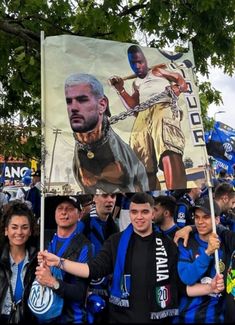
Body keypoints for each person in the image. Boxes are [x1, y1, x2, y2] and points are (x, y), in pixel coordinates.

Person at [38, 193, 224, 323]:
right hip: (120, 317)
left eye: (144, 212)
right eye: (134, 212)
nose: (139, 217)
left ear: (152, 213)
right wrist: (59, 262)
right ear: (130, 213)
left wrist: (210, 287)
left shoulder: (167, 244)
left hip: (159, 318)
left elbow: (180, 287)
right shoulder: (116, 241)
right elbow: (91, 269)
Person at [109, 45, 188, 190]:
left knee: (167, 147)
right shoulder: (136, 83)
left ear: (145, 60)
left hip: (162, 106)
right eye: (134, 63)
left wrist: (178, 87)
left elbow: (179, 78)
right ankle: (150, 197)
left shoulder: (157, 71)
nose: (138, 66)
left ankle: (177, 193)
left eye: (140, 62)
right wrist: (120, 90)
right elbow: (133, 108)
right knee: (141, 161)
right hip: (143, 114)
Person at [65, 73, 149, 194]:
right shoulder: (79, 152)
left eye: (82, 100)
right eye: (69, 102)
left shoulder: (116, 148)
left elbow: (131, 189)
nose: (73, 108)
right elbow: (88, 194)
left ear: (102, 105)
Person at [35, 196, 93, 323]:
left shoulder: (85, 246)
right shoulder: (43, 239)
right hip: (43, 315)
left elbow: (80, 293)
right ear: (55, 212)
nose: (64, 212)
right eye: (60, 208)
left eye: (70, 208)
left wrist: (52, 282)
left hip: (71, 318)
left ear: (80, 214)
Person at [174, 196, 227, 323]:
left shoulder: (227, 244)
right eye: (197, 217)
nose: (200, 221)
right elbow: (186, 277)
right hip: (186, 318)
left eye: (206, 217)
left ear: (217, 220)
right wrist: (208, 252)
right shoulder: (186, 242)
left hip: (216, 318)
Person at [76, 193, 119, 322]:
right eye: (105, 196)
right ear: (94, 198)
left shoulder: (113, 225)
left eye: (113, 196)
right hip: (88, 291)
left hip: (108, 291)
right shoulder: (85, 223)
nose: (110, 200)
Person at [0, 201, 38, 323]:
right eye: (14, 227)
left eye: (25, 227)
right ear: (6, 230)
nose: (19, 232)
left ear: (31, 231)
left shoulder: (38, 260)